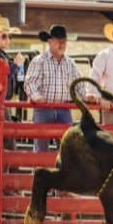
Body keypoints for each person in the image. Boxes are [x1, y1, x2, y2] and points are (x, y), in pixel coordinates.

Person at [24, 24, 85, 153]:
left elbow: (79, 85)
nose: (62, 45)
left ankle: (62, 172)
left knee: (67, 149)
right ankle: (39, 172)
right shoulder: (39, 61)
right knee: (41, 147)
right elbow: (30, 83)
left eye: (64, 42)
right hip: (43, 108)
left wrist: (86, 96)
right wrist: (36, 97)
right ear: (50, 42)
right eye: (59, 41)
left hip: (64, 108)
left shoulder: (71, 64)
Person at [0, 15, 26, 103]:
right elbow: (3, 76)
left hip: (3, 100)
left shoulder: (3, 55)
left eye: (9, 37)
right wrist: (16, 64)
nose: (8, 40)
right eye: (4, 36)